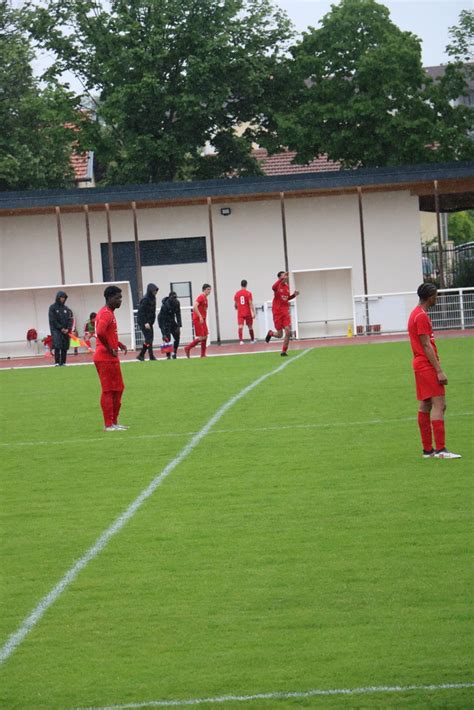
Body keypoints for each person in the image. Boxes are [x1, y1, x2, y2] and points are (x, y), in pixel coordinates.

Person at [407, 283, 461, 459]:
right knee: (440, 404)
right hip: (426, 365)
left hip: (419, 364)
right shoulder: (421, 316)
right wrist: (439, 370)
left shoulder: (415, 313)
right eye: (436, 295)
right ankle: (441, 450)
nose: (436, 298)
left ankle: (428, 451)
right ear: (430, 296)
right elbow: (425, 344)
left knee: (426, 404)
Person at [94, 285, 128, 432]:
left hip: (109, 356)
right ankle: (109, 424)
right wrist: (109, 348)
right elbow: (100, 332)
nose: (120, 300)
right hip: (105, 357)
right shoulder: (107, 313)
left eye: (120, 297)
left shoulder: (107, 312)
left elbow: (105, 333)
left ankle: (114, 422)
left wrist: (118, 344)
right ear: (109, 298)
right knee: (109, 390)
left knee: (118, 389)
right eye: (117, 298)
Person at [265, 271, 299, 356]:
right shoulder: (277, 286)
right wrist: (281, 279)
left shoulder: (287, 286)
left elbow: (286, 298)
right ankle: (271, 333)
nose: (286, 276)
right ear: (280, 277)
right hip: (277, 312)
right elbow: (273, 287)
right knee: (280, 334)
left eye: (286, 275)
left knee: (287, 331)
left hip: (285, 312)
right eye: (284, 275)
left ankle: (284, 351)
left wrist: (294, 295)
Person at [184, 284, 212, 358]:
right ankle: (188, 348)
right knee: (202, 337)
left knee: (205, 336)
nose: (209, 291)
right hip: (199, 319)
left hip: (203, 319)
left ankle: (203, 355)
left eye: (210, 289)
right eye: (208, 289)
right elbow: (195, 306)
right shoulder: (201, 297)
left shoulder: (205, 298)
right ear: (204, 289)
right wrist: (200, 316)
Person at [48, 290, 73, 366]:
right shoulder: (52, 308)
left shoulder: (66, 308)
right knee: (57, 346)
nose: (63, 299)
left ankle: (63, 362)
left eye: (64, 298)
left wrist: (68, 329)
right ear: (58, 298)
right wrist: (61, 328)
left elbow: (70, 319)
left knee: (64, 346)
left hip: (65, 331)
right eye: (61, 297)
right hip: (56, 330)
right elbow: (53, 320)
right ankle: (57, 362)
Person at [136, 283, 159, 361]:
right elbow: (141, 312)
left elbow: (152, 311)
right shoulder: (145, 299)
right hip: (144, 322)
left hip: (149, 322)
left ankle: (147, 355)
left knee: (150, 338)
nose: (155, 292)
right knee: (149, 338)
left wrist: (151, 321)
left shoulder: (153, 298)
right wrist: (145, 322)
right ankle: (144, 355)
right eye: (154, 291)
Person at [158, 291, 182, 359]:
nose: (174, 299)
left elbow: (178, 314)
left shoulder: (177, 303)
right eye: (173, 298)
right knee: (167, 338)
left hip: (172, 321)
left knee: (177, 336)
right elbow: (161, 321)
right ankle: (168, 355)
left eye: (175, 298)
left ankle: (174, 353)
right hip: (164, 321)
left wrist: (179, 326)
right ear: (169, 298)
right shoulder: (165, 306)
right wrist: (163, 334)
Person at [234, 279, 256, 344]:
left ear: (241, 285)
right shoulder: (248, 293)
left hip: (240, 312)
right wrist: (253, 312)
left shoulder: (237, 293)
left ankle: (241, 341)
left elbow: (235, 303)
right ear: (246, 285)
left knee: (240, 326)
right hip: (247, 312)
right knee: (250, 326)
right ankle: (252, 340)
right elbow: (250, 303)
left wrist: (236, 307)